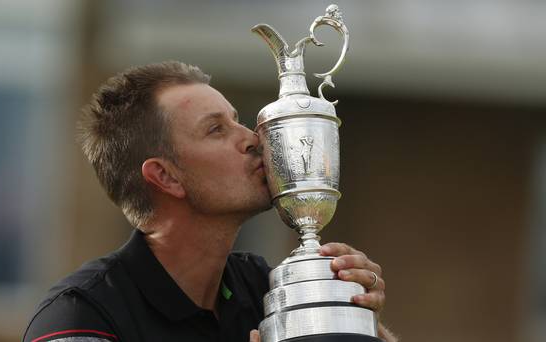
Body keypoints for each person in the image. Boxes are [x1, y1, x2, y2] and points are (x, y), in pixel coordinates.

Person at [22, 61, 397, 342]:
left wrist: (353, 320)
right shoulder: (82, 316)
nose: (252, 137)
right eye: (216, 129)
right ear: (165, 177)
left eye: (236, 120)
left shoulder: (263, 288)